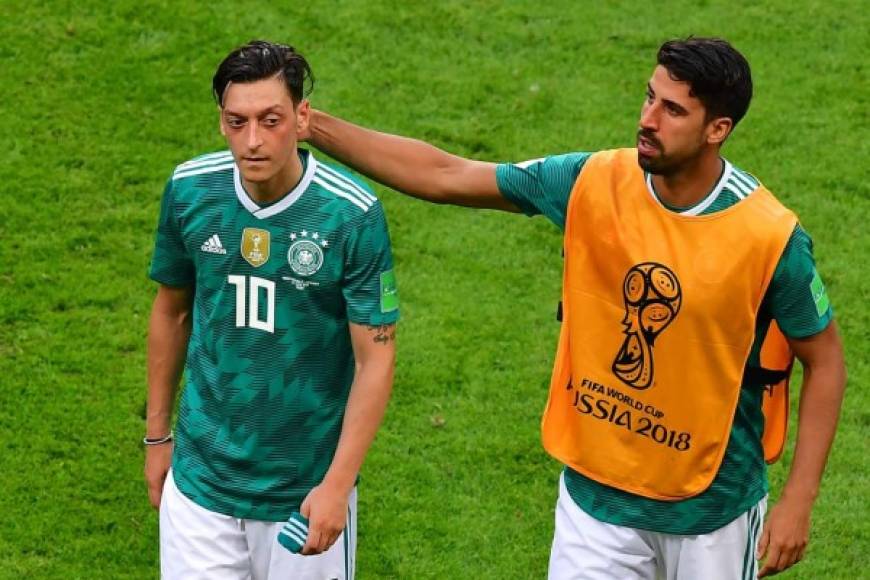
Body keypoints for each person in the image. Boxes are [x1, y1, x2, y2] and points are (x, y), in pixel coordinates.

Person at [303, 37, 846, 579]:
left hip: (711, 512)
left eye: (673, 109)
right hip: (596, 501)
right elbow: (447, 175)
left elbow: (825, 363)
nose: (648, 119)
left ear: (717, 130)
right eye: (649, 98)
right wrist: (310, 126)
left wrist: (798, 501)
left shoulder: (769, 236)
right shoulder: (593, 182)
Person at [145, 40, 399, 579]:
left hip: (301, 495)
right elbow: (171, 312)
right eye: (237, 122)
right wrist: (157, 436)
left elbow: (375, 359)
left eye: (271, 119)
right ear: (221, 121)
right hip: (199, 484)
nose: (253, 141)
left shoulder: (350, 215)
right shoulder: (191, 190)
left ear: (302, 116)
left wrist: (336, 486)